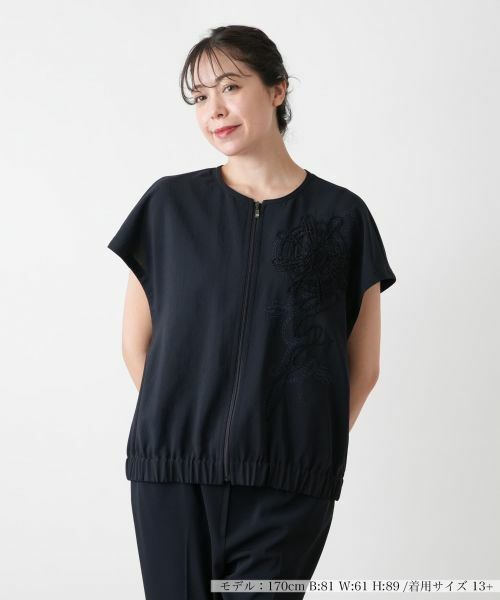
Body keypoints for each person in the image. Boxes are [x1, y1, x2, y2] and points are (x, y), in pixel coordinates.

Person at [107, 25, 397, 600]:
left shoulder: (343, 217)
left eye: (230, 87)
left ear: (278, 89)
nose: (214, 110)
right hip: (173, 475)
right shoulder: (169, 206)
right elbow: (137, 345)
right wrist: (188, 425)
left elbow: (363, 367)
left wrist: (298, 444)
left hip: (289, 484)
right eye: (199, 97)